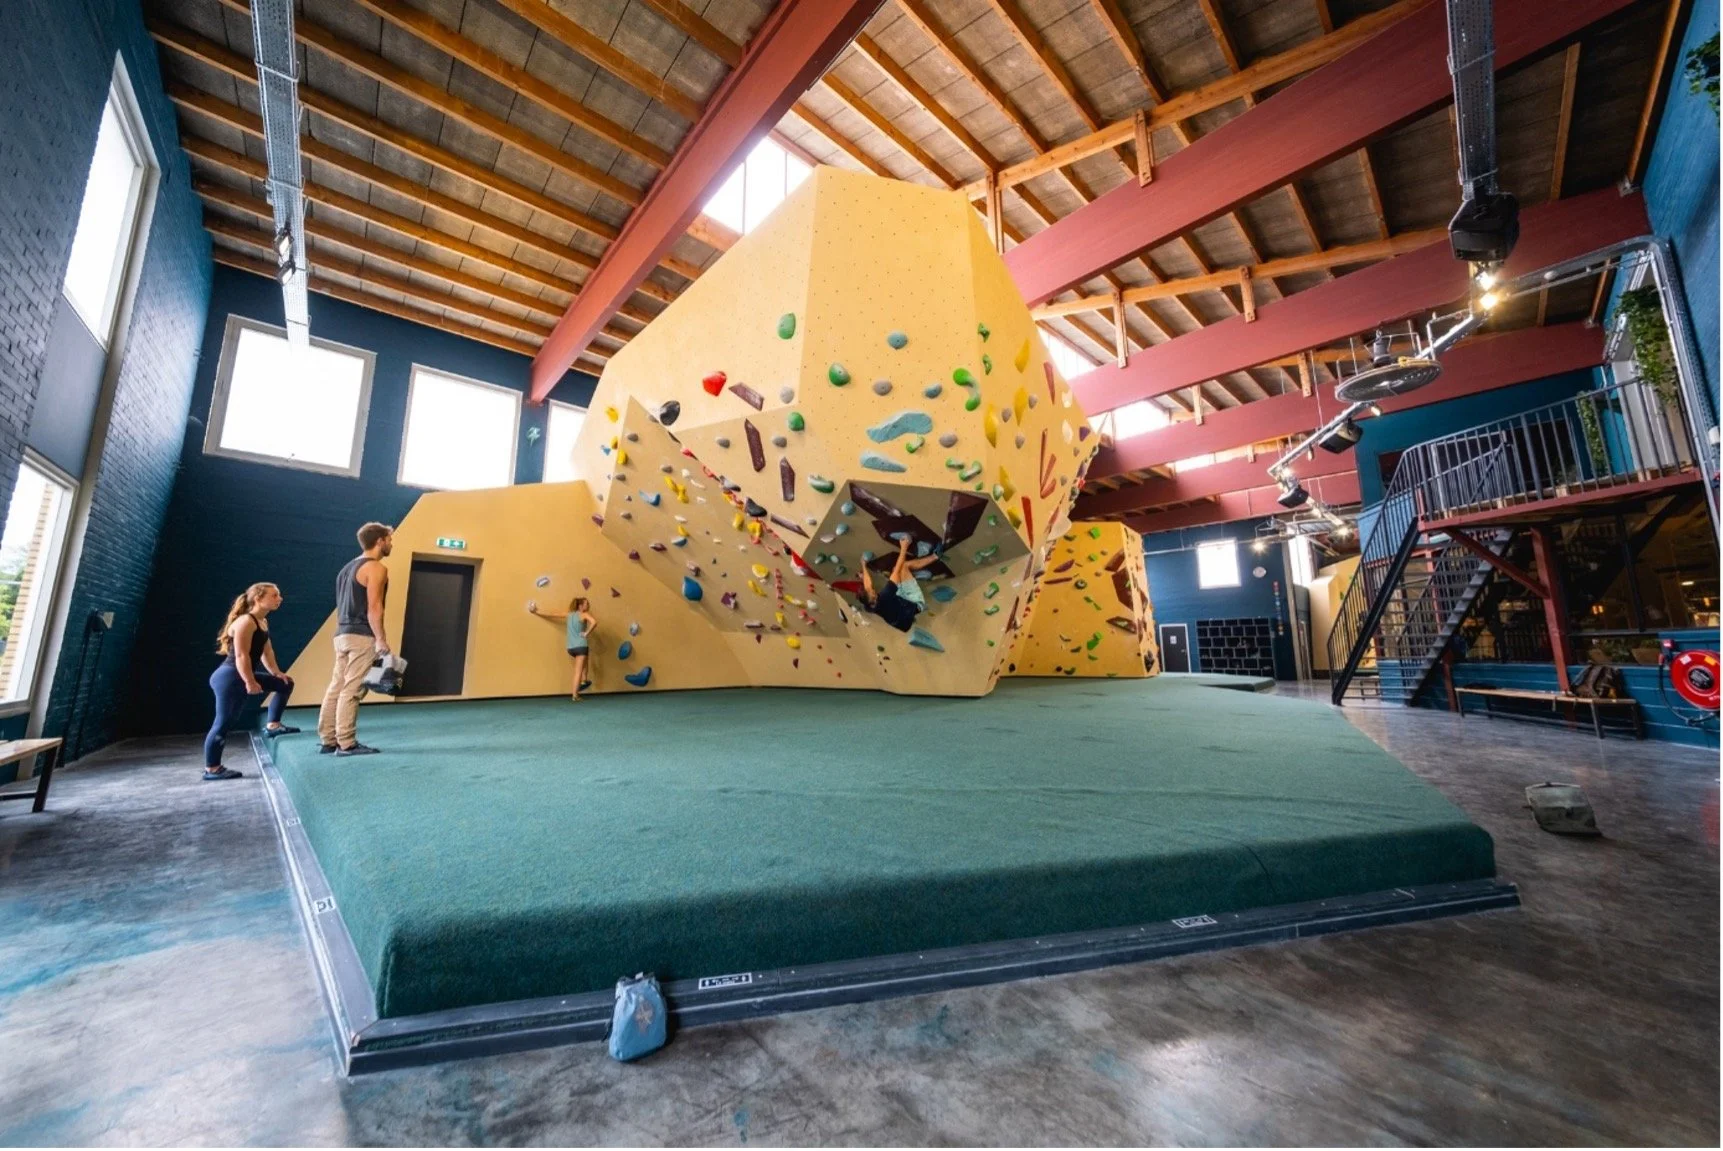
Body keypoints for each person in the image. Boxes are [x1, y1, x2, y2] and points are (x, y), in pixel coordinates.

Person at [203, 582, 295, 781]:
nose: (280, 599)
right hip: (230, 677)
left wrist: (277, 673)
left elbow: (267, 652)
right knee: (223, 722)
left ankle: (273, 725)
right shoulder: (246, 621)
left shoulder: (262, 622)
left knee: (285, 683)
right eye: (274, 595)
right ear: (258, 599)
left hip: (239, 675)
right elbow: (241, 656)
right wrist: (250, 681)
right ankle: (212, 768)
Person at [318, 522, 393, 757]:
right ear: (380, 541)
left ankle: (328, 740)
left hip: (342, 635)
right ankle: (347, 744)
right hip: (361, 635)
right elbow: (374, 607)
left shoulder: (347, 568)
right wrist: (380, 639)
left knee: (336, 687)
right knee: (352, 689)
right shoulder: (376, 568)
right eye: (389, 539)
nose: (392, 543)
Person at [857, 535, 941, 633]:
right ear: (873, 597)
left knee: (895, 571)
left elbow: (868, 585)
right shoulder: (886, 594)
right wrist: (904, 547)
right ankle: (936, 556)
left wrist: (863, 565)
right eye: (872, 591)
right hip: (913, 602)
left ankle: (911, 578)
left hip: (899, 619)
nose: (872, 589)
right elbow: (897, 569)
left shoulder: (868, 606)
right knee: (903, 567)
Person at [530, 596, 597, 700]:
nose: (588, 605)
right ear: (580, 606)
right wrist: (587, 633)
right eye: (586, 603)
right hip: (581, 646)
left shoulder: (569, 615)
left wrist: (536, 612)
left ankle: (584, 680)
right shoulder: (584, 614)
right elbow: (594, 622)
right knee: (578, 671)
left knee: (586, 660)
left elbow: (552, 614)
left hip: (571, 648)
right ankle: (575, 695)